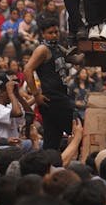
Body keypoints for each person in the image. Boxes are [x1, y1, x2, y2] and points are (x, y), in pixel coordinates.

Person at [23, 18, 75, 150]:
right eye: (50, 32)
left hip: (59, 96)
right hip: (53, 98)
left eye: (56, 32)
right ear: (43, 34)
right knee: (76, 126)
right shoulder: (42, 49)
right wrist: (36, 95)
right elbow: (27, 70)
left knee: (52, 138)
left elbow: (74, 59)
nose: (54, 35)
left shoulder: (57, 47)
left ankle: (48, 163)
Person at [0, 69, 24, 147]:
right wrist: (11, 93)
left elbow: (29, 114)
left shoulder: (10, 105)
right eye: (9, 90)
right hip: (0, 148)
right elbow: (17, 113)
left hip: (14, 146)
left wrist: (18, 95)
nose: (12, 92)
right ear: (0, 92)